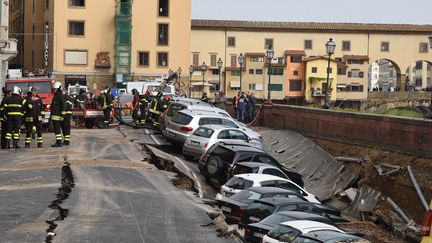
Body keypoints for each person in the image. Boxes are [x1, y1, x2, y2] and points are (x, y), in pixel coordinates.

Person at [50, 81, 66, 147]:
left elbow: (64, 106)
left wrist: (62, 115)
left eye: (55, 89)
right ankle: (58, 142)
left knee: (57, 130)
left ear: (59, 88)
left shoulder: (60, 96)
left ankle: (59, 142)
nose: (54, 90)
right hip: (54, 116)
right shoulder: (56, 95)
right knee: (56, 130)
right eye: (54, 89)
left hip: (57, 116)